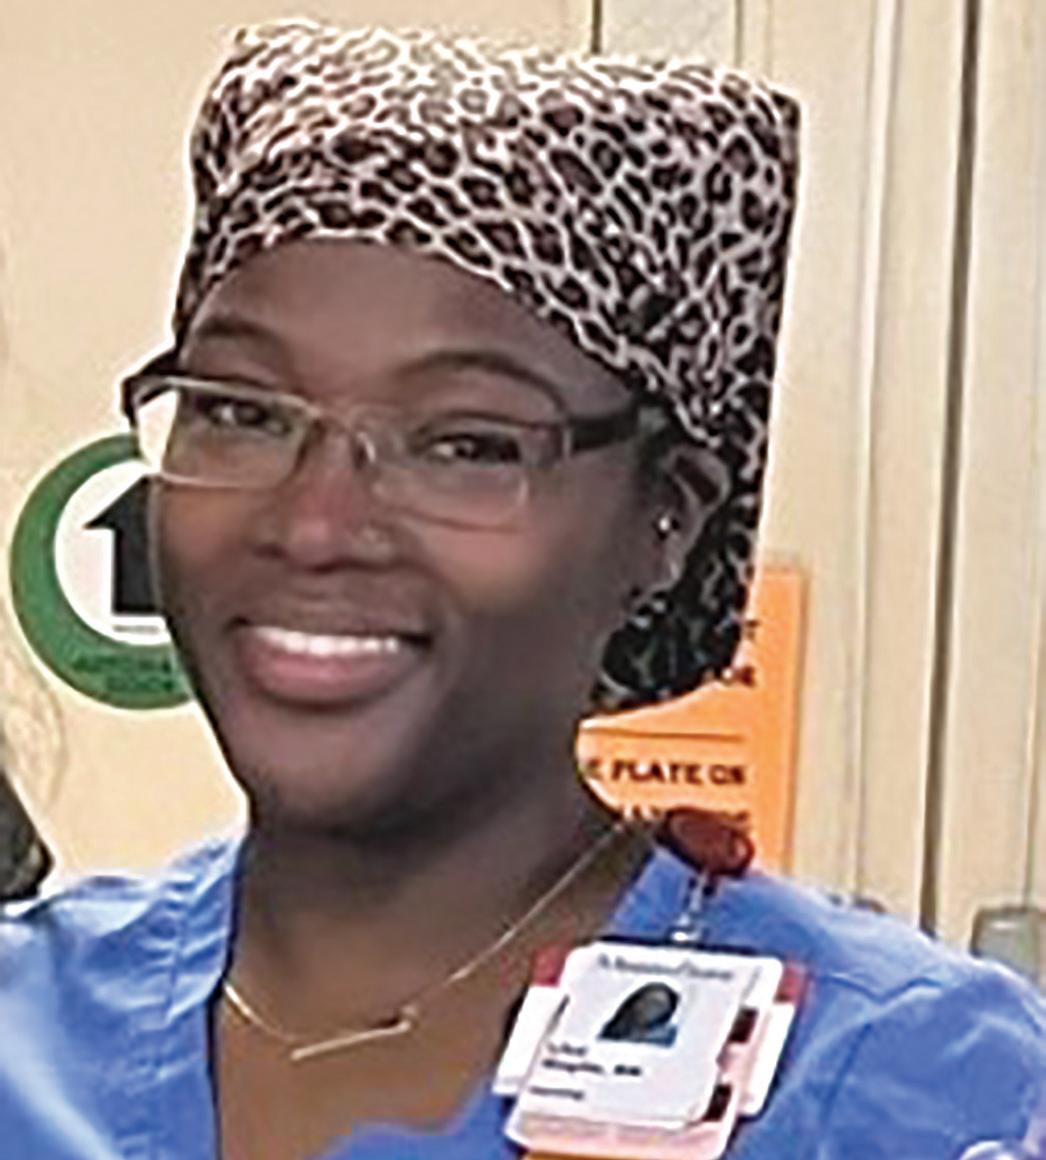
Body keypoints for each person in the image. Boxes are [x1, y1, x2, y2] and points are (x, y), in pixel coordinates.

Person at [0, 18, 1043, 1160]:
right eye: (242, 412)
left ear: (666, 517)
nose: (314, 523)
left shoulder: (909, 1089)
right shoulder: (29, 1029)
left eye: (467, 443)